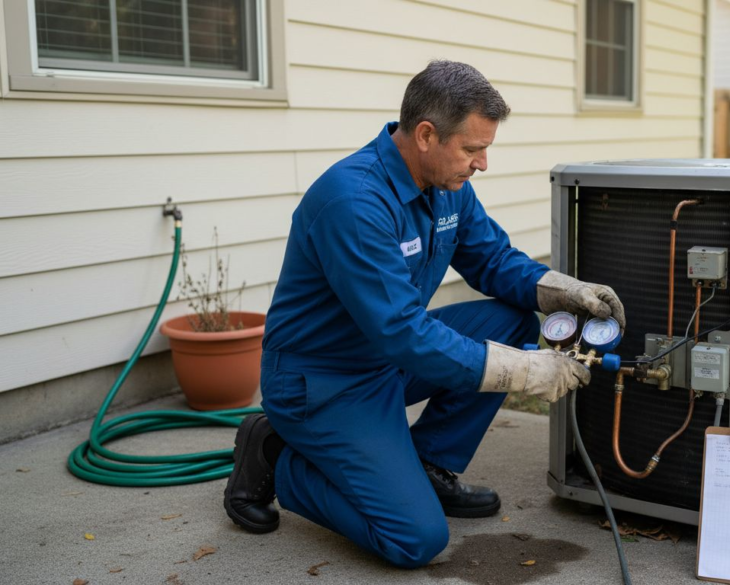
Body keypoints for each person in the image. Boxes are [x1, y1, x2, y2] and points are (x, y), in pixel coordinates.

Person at [222, 60, 626, 569]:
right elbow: (401, 330)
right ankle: (277, 456)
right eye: (473, 149)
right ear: (427, 135)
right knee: (416, 538)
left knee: (514, 318)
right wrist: (525, 370)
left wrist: (564, 290)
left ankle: (429, 463)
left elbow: (493, 260)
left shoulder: (445, 185)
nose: (481, 164)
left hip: (386, 357)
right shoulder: (354, 201)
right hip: (326, 382)